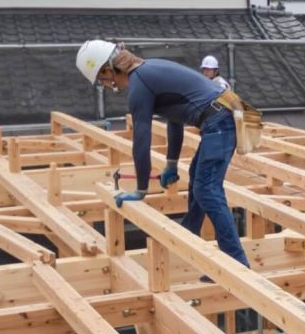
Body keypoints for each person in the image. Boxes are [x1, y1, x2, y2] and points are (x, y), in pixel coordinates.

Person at [76, 40, 249, 268]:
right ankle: (191, 238)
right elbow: (175, 120)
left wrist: (140, 189)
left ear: (108, 70)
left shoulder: (139, 85)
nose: (105, 84)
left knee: (207, 189)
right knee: (198, 178)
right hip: (222, 114)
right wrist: (171, 163)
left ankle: (238, 266)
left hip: (220, 120)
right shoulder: (149, 72)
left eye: (102, 79)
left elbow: (141, 139)